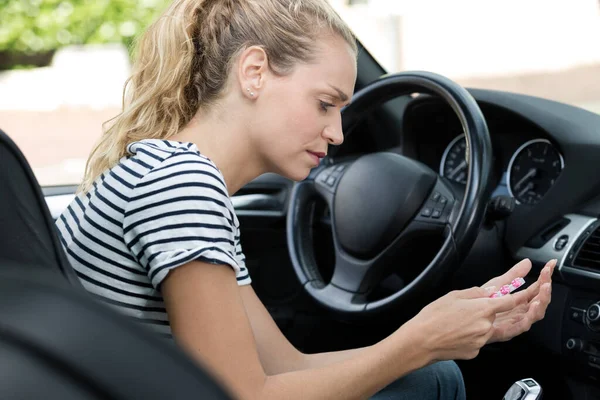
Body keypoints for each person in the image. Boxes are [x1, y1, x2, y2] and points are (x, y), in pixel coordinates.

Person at [55, 0, 556, 399]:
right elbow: (243, 395)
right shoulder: (183, 185)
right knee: (437, 379)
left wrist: (438, 332)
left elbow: (284, 367)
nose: (338, 132)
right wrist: (420, 342)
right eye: (325, 103)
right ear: (254, 73)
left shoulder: (174, 174)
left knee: (433, 374)